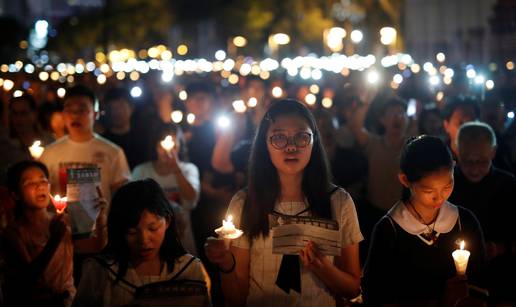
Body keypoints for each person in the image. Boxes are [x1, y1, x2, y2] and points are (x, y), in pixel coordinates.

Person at [205, 99, 363, 306]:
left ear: (314, 142)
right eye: (279, 138)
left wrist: (322, 267)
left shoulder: (338, 201)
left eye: (301, 137)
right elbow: (236, 297)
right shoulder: (245, 203)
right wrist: (226, 264)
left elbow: (352, 289)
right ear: (265, 143)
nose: (291, 147)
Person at [363, 135, 487, 306]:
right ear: (405, 180)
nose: (440, 197)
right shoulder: (390, 229)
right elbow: (376, 294)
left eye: (447, 186)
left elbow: (481, 283)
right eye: (429, 191)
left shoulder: (464, 222)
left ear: (453, 167)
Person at [74, 179, 211, 307]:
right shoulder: (100, 271)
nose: (144, 240)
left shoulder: (190, 269)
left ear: (167, 221)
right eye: (132, 231)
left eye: (153, 228)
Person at [449, 122, 516, 304]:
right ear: (456, 150)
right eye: (468, 161)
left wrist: (502, 247)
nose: (475, 168)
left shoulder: (508, 185)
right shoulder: (447, 185)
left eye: (482, 161)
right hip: (453, 276)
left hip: (500, 276)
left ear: (493, 152)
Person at [1, 160, 75, 306]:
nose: (40, 186)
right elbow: (26, 278)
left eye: (43, 180)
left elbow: (95, 247)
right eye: (29, 183)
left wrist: (100, 219)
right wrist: (54, 240)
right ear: (15, 194)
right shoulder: (13, 233)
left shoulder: (63, 222)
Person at [132, 123, 200, 256]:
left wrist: (176, 169)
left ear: (180, 146)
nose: (167, 150)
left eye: (174, 145)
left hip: (182, 239)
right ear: (156, 146)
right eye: (162, 145)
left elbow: (192, 200)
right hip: (149, 241)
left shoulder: (189, 169)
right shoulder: (141, 171)